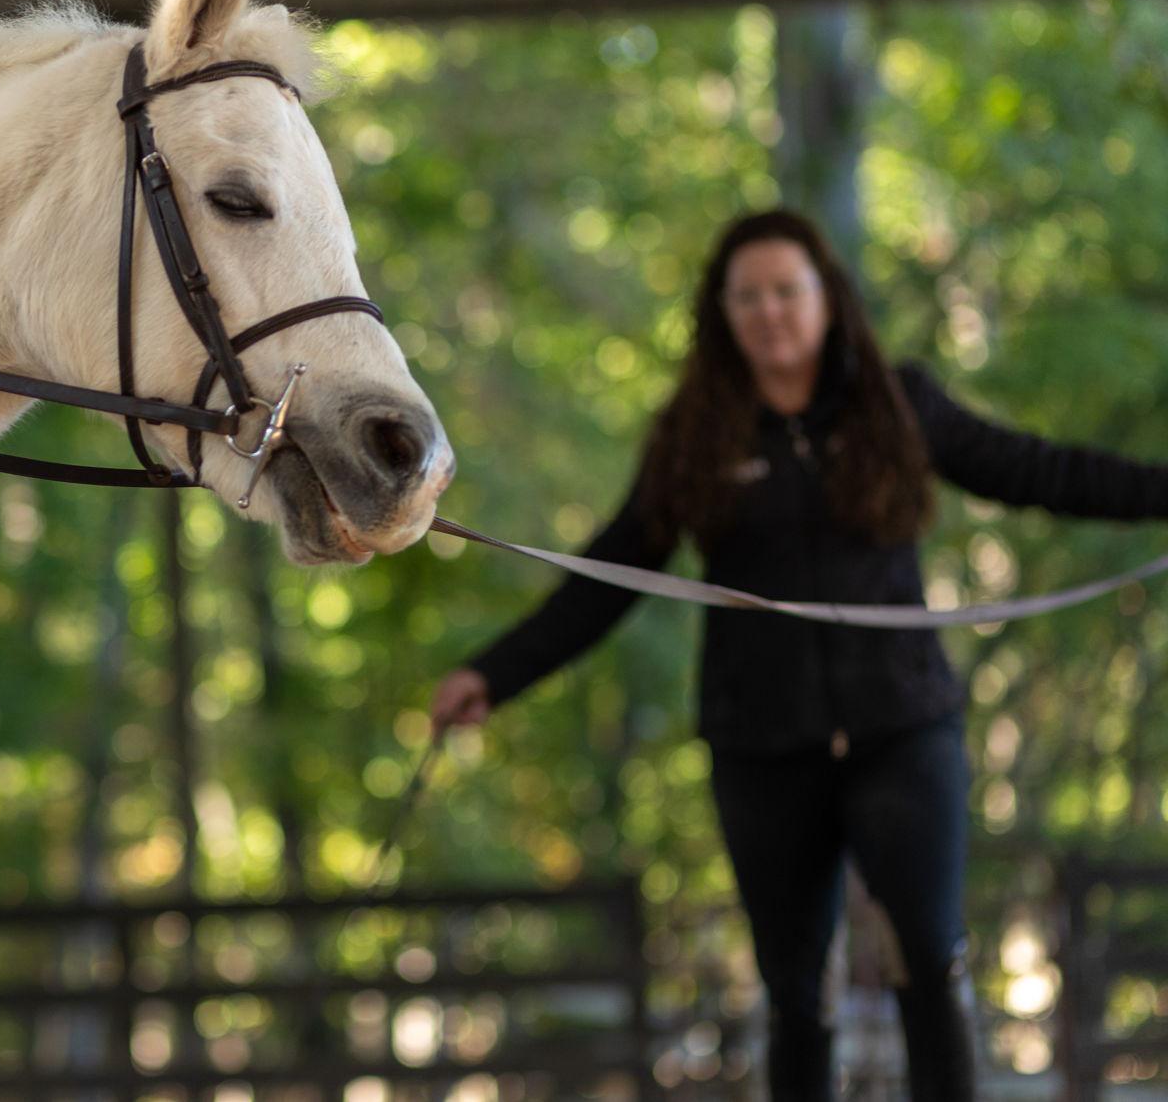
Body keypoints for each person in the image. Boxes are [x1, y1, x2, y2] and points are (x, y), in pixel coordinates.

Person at [430, 208, 1168, 1102]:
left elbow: (1043, 472)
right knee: (794, 992)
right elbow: (608, 574)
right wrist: (493, 674)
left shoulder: (900, 404)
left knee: (930, 963)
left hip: (904, 729)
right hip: (762, 746)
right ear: (723, 314)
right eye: (748, 296)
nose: (770, 311)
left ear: (826, 298)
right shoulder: (693, 435)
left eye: (787, 290)